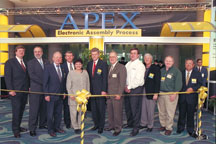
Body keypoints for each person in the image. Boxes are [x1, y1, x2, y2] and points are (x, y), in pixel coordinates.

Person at [4, 45, 29, 138]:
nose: (21, 52)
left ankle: (18, 126)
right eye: (20, 51)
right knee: (16, 111)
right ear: (15, 52)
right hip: (15, 92)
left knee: (22, 110)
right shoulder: (10, 62)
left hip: (24, 91)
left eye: (23, 51)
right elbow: (8, 77)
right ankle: (15, 130)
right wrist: (10, 90)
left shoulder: (25, 62)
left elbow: (27, 77)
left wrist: (29, 87)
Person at [157, 56, 182, 136]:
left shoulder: (176, 71)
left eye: (170, 61)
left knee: (170, 112)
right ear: (164, 61)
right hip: (161, 93)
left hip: (171, 94)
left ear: (173, 62)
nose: (168, 62)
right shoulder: (161, 70)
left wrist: (175, 93)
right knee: (161, 111)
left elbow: (179, 84)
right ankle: (163, 125)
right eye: (167, 61)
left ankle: (169, 128)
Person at [177, 59, 202, 138]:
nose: (188, 65)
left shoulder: (197, 73)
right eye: (187, 63)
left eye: (190, 63)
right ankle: (180, 127)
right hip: (182, 97)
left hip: (192, 98)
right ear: (185, 64)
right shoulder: (180, 73)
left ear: (193, 65)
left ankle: (190, 129)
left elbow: (200, 84)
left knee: (190, 114)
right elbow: (178, 84)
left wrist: (193, 89)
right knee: (181, 113)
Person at [27, 46, 49, 136]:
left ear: (42, 52)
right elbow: (32, 76)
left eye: (39, 51)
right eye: (35, 51)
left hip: (46, 91)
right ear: (33, 53)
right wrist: (45, 82)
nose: (37, 53)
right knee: (34, 110)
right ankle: (32, 128)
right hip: (36, 90)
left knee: (44, 109)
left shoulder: (47, 62)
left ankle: (42, 124)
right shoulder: (30, 63)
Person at [43, 51, 66, 137]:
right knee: (50, 114)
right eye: (56, 57)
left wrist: (63, 92)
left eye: (59, 57)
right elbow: (45, 82)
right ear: (52, 58)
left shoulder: (62, 68)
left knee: (58, 113)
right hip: (51, 96)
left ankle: (57, 127)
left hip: (60, 96)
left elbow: (62, 82)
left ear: (61, 59)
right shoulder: (48, 68)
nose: (58, 59)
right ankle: (50, 130)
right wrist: (46, 94)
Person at [124, 48, 145, 136]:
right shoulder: (128, 64)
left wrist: (129, 87)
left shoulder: (140, 65)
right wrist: (125, 86)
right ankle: (130, 124)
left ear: (138, 55)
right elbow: (125, 77)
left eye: (134, 53)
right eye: (131, 53)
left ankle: (136, 128)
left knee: (135, 110)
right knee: (128, 108)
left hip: (136, 89)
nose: (132, 55)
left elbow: (139, 80)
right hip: (127, 89)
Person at [104, 51, 127, 136]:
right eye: (110, 57)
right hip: (109, 95)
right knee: (110, 112)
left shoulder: (121, 67)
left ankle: (118, 128)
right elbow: (107, 81)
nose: (111, 58)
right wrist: (106, 92)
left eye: (113, 57)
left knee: (117, 113)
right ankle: (111, 126)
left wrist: (119, 93)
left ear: (116, 57)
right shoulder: (109, 67)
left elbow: (122, 82)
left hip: (117, 95)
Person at [87, 47, 108, 134]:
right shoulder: (89, 64)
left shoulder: (103, 64)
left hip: (100, 91)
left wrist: (104, 90)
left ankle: (101, 126)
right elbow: (88, 78)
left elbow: (105, 78)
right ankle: (96, 124)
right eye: (92, 54)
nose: (94, 56)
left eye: (95, 54)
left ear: (99, 54)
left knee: (101, 109)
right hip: (91, 91)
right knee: (94, 109)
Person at [66, 59, 90, 134]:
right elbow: (68, 85)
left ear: (82, 65)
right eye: (76, 64)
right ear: (74, 65)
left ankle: (80, 125)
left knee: (81, 112)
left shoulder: (85, 73)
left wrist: (88, 94)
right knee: (73, 112)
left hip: (83, 97)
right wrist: (71, 94)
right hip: (74, 97)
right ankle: (75, 127)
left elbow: (88, 84)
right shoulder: (71, 73)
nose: (78, 65)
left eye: (80, 64)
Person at [140, 53, 161, 132]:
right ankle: (143, 123)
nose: (147, 59)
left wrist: (156, 93)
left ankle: (150, 125)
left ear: (151, 59)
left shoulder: (155, 68)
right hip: (142, 90)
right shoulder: (142, 67)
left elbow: (157, 81)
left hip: (151, 91)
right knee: (143, 108)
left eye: (148, 58)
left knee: (150, 109)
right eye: (145, 58)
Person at [62, 51, 75, 128]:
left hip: (76, 91)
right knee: (67, 107)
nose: (69, 57)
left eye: (70, 56)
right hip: (66, 91)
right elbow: (61, 80)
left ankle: (75, 122)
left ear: (73, 57)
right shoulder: (62, 66)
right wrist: (63, 91)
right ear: (65, 57)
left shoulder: (77, 65)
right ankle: (67, 123)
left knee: (75, 107)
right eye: (67, 56)